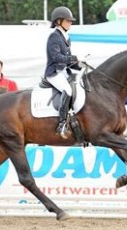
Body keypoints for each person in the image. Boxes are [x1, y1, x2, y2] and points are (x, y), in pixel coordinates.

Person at [44, 6, 83, 139]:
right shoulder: (54, 37)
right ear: (58, 21)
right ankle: (61, 124)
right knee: (68, 90)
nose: (70, 23)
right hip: (54, 72)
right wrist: (75, 58)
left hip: (63, 71)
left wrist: (80, 65)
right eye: (68, 20)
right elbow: (57, 58)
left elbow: (68, 61)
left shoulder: (66, 37)